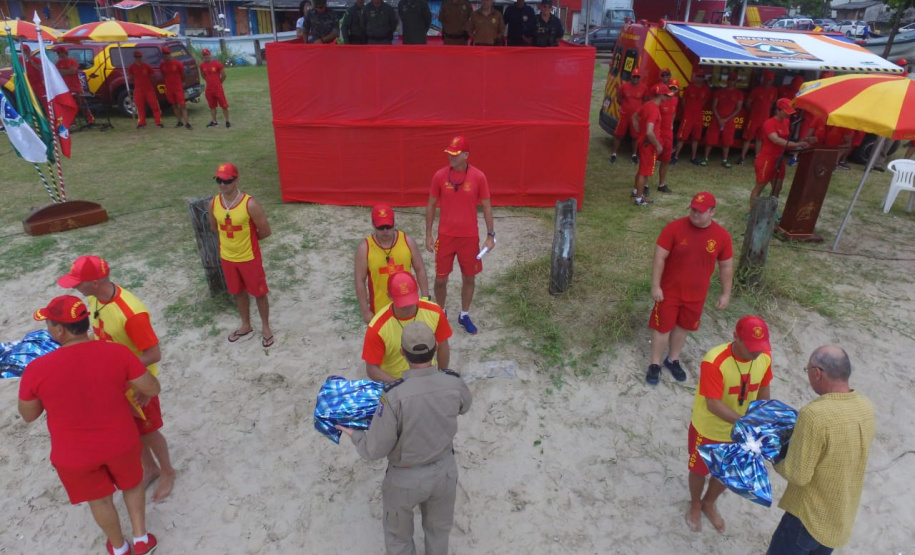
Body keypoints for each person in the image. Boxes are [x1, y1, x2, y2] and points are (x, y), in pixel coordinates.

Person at [19, 295, 161, 555]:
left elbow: (29, 415)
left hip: (74, 454)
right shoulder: (117, 352)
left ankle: (119, 547)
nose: (48, 329)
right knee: (131, 485)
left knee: (99, 499)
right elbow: (152, 387)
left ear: (60, 330)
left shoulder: (36, 368)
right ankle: (141, 540)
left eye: (49, 324)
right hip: (120, 441)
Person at [339, 321, 471, 555]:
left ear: (402, 352)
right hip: (445, 471)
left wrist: (355, 434)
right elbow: (464, 406)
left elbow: (374, 450)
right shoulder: (454, 382)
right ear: (435, 349)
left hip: (405, 478)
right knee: (439, 532)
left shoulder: (393, 395)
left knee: (399, 539)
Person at [58, 255, 177, 503]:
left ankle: (167, 470)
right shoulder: (94, 298)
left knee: (150, 431)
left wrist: (121, 370)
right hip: (117, 382)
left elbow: (154, 354)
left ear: (94, 283)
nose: (74, 287)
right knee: (134, 431)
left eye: (77, 282)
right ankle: (150, 468)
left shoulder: (131, 314)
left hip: (138, 385)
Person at [766, 345, 875, 554]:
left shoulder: (814, 415)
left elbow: (797, 475)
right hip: (840, 516)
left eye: (807, 371)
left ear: (817, 373)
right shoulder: (865, 406)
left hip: (807, 518)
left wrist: (775, 455)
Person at [686, 316, 773, 534]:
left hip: (740, 432)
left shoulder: (764, 358)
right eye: (752, 347)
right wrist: (745, 422)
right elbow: (713, 404)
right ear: (735, 337)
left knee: (728, 472)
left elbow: (763, 388)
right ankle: (695, 503)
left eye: (761, 347)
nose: (757, 352)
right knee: (699, 470)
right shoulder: (714, 361)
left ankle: (709, 503)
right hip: (709, 429)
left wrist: (762, 416)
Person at [647, 191, 733, 384]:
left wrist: (726, 293)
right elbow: (659, 257)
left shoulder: (721, 236)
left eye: (701, 211)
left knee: (683, 326)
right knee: (662, 328)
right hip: (669, 292)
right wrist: (656, 285)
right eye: (693, 209)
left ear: (712, 212)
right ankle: (654, 364)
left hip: (696, 295)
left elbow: (726, 265)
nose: (695, 214)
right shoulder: (674, 228)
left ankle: (673, 359)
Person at [424, 135, 495, 334]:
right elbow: (430, 204)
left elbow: (487, 206)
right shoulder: (439, 176)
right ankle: (441, 312)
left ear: (465, 155)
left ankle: (464, 314)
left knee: (469, 277)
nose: (451, 158)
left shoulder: (478, 177)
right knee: (440, 279)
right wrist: (428, 234)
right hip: (445, 237)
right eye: (449, 153)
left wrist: (490, 235)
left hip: (469, 237)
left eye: (455, 154)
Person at [207, 163, 274, 347]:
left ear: (236, 180)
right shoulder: (213, 203)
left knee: (259, 293)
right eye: (219, 180)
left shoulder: (250, 204)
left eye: (227, 180)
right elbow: (215, 227)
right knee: (238, 293)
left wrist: (248, 241)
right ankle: (246, 325)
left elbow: (266, 230)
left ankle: (266, 327)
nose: (222, 184)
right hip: (227, 257)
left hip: (249, 257)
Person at [363, 272, 452, 382]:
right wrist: (399, 385)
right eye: (402, 302)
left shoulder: (435, 312)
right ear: (389, 296)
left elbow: (443, 345)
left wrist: (441, 374)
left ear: (417, 291)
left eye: (410, 299)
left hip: (428, 377)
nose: (407, 306)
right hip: (395, 381)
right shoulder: (377, 327)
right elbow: (372, 369)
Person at [355, 204, 430, 323]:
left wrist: (426, 298)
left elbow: (420, 269)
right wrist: (365, 311)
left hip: (408, 306)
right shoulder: (365, 248)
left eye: (388, 226)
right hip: (380, 310)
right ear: (373, 225)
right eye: (381, 227)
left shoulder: (407, 241)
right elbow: (360, 280)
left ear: (394, 223)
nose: (385, 231)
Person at [750, 98, 810, 208]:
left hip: (779, 158)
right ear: (778, 110)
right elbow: (776, 140)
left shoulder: (786, 122)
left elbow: (785, 140)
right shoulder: (769, 123)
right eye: (785, 111)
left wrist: (807, 140)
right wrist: (796, 144)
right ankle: (752, 212)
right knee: (760, 186)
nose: (788, 114)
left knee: (777, 187)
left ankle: (772, 210)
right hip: (767, 159)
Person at [630, 84, 671, 206]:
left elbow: (634, 117)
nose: (667, 97)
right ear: (661, 95)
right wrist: (658, 145)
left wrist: (638, 132)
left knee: (642, 169)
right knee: (645, 171)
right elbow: (649, 131)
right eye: (666, 95)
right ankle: (639, 199)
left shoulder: (647, 105)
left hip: (643, 142)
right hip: (649, 145)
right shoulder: (654, 109)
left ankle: (636, 190)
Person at [700, 72, 744, 168]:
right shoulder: (719, 92)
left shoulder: (738, 94)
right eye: (729, 79)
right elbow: (714, 106)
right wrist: (719, 118)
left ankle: (725, 159)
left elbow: (738, 108)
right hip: (716, 119)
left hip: (729, 121)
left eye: (733, 79)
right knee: (710, 139)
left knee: (727, 141)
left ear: (736, 81)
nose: (731, 81)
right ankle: (705, 158)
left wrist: (726, 119)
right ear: (726, 80)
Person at [739, 70, 778, 164]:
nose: (768, 81)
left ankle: (757, 157)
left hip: (765, 120)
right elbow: (748, 103)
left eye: (770, 80)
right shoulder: (757, 90)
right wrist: (753, 112)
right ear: (763, 79)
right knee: (748, 138)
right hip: (753, 119)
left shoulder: (773, 91)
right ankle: (742, 158)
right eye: (767, 79)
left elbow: (773, 103)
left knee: (760, 139)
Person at [609, 69, 647, 164]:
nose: (636, 78)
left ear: (640, 78)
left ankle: (634, 155)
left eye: (638, 76)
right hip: (624, 115)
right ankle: (614, 154)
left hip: (636, 118)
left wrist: (638, 112)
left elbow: (645, 100)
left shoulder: (643, 87)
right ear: (631, 77)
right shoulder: (624, 86)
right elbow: (619, 99)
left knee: (635, 136)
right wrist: (626, 108)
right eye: (634, 76)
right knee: (618, 135)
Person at [673, 70, 710, 165]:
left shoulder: (706, 89)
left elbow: (704, 102)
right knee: (682, 137)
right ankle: (676, 157)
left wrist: (697, 109)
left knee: (696, 138)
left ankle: (693, 157)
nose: (700, 78)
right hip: (688, 115)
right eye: (698, 76)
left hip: (698, 116)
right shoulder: (689, 88)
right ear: (695, 77)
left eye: (702, 76)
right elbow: (683, 101)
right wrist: (688, 111)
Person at [55, 46, 95, 125]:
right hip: (64, 88)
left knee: (82, 103)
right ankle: (72, 121)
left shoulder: (72, 61)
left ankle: (90, 119)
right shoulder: (58, 63)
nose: (59, 55)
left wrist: (62, 71)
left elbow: (73, 71)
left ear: (65, 53)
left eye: (60, 53)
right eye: (58, 53)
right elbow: (57, 73)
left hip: (75, 86)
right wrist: (66, 71)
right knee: (68, 105)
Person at [655, 77, 679, 194]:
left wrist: (671, 125)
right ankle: (645, 185)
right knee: (653, 160)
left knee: (666, 160)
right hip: (659, 133)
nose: (672, 90)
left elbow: (673, 112)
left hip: (668, 134)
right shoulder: (661, 100)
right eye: (671, 88)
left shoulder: (675, 100)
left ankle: (661, 184)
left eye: (674, 89)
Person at [126, 50, 162, 129]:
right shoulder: (132, 67)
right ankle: (142, 122)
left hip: (148, 89)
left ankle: (158, 121)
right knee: (140, 106)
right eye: (136, 57)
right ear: (134, 58)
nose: (138, 58)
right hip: (138, 89)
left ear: (141, 57)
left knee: (154, 105)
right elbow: (130, 78)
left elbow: (153, 76)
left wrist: (151, 83)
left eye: (139, 57)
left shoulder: (147, 66)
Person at [159, 47, 191, 129]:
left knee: (182, 105)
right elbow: (163, 75)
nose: (166, 56)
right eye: (165, 54)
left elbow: (183, 74)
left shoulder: (177, 63)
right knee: (174, 105)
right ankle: (179, 121)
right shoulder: (162, 65)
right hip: (169, 88)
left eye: (167, 54)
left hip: (178, 87)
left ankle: (187, 122)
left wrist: (180, 82)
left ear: (170, 54)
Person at [200, 49, 231, 129]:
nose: (206, 56)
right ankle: (214, 121)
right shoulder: (202, 65)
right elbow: (203, 75)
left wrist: (219, 82)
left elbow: (224, 75)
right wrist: (208, 81)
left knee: (224, 105)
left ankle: (227, 121)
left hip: (218, 88)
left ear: (210, 55)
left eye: (207, 54)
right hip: (209, 89)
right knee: (212, 106)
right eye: (204, 55)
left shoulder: (217, 64)